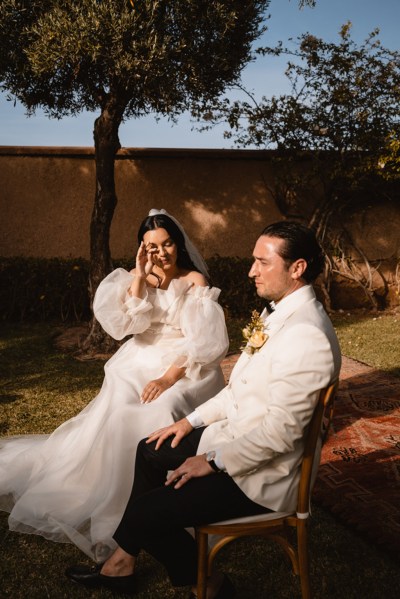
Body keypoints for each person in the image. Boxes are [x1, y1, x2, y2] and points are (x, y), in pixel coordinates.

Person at [66, 220, 342, 598]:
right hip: (238, 438)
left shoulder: (307, 335)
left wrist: (210, 461)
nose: (251, 271)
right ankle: (123, 563)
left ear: (297, 269)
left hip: (264, 477)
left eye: (263, 262)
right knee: (150, 449)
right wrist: (188, 422)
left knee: (145, 514)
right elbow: (236, 391)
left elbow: (282, 434)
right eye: (253, 261)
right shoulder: (278, 315)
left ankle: (210, 584)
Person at [0, 208, 229, 562]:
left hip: (183, 364)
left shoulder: (194, 280)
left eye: (166, 244)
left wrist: (167, 378)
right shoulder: (140, 275)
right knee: (123, 404)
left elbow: (203, 344)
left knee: (163, 407)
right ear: (143, 249)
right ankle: (115, 491)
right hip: (139, 358)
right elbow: (127, 327)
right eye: (152, 247)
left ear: (177, 243)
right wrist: (139, 274)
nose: (161, 253)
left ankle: (163, 496)